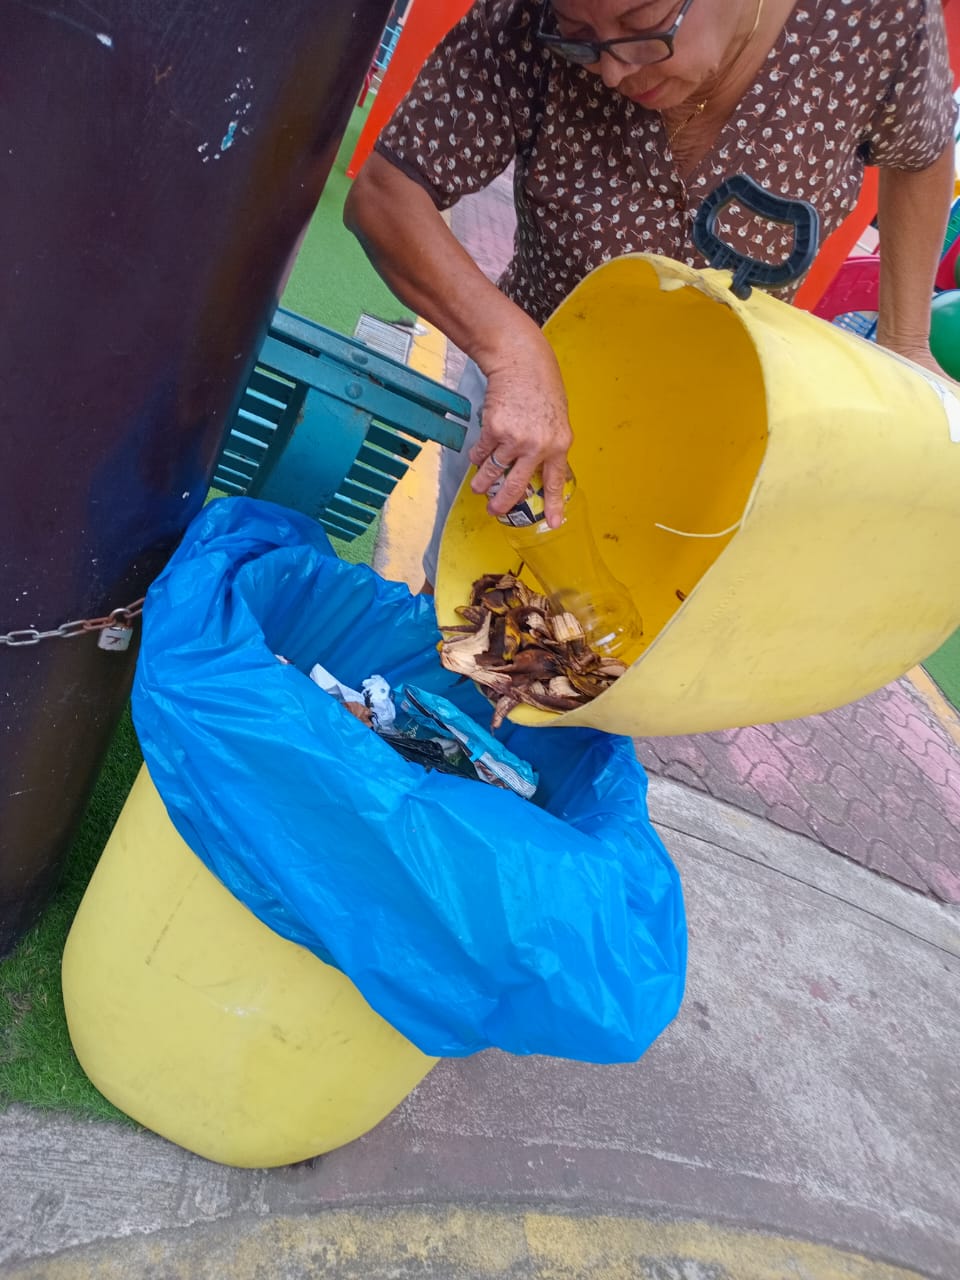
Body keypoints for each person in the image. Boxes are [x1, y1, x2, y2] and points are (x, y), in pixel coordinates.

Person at [344, 0, 957, 589]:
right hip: (530, 403)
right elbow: (386, 195)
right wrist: (511, 350)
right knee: (465, 607)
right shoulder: (526, 14)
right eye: (578, 36)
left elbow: (923, 150)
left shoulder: (874, 17)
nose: (613, 72)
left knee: (648, 628)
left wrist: (906, 340)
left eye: (644, 24)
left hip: (719, 427)